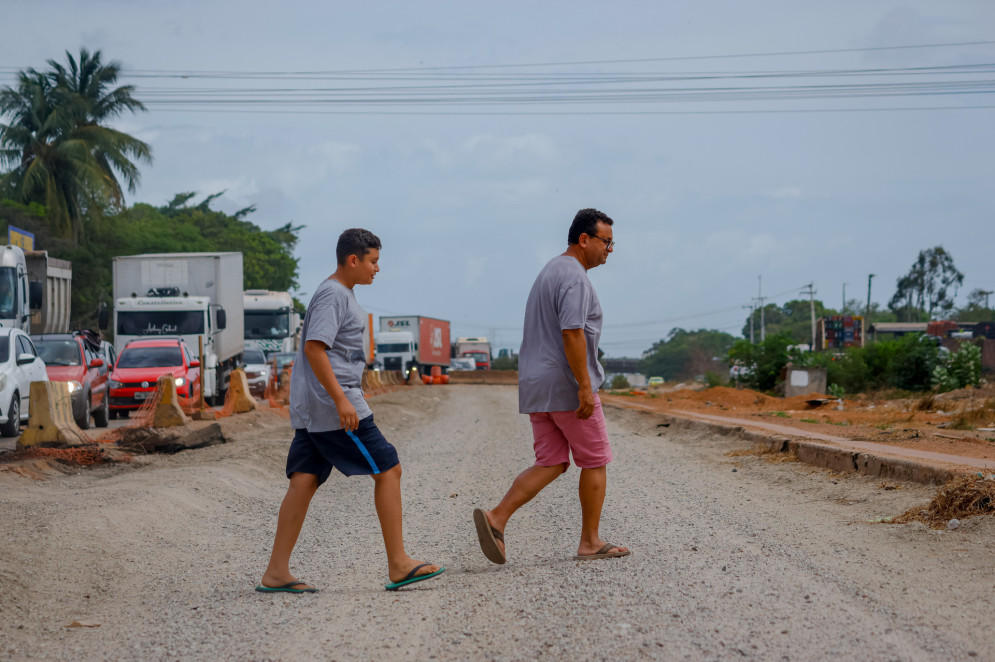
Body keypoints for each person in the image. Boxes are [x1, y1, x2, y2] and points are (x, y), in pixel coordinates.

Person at [258, 228, 444, 593]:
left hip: (317, 407)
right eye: (373, 261)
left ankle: (276, 572)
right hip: (333, 406)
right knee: (389, 467)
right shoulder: (333, 295)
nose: (377, 269)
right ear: (354, 259)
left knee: (304, 479)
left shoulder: (340, 294)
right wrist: (342, 400)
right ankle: (399, 563)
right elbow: (315, 349)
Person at [474, 208, 630, 564]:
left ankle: (496, 518)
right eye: (606, 242)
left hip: (536, 385)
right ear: (584, 239)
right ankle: (590, 541)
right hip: (564, 384)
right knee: (596, 460)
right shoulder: (574, 277)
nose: (610, 250)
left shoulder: (550, 270)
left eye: (613, 243)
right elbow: (572, 333)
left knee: (552, 461)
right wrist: (585, 387)